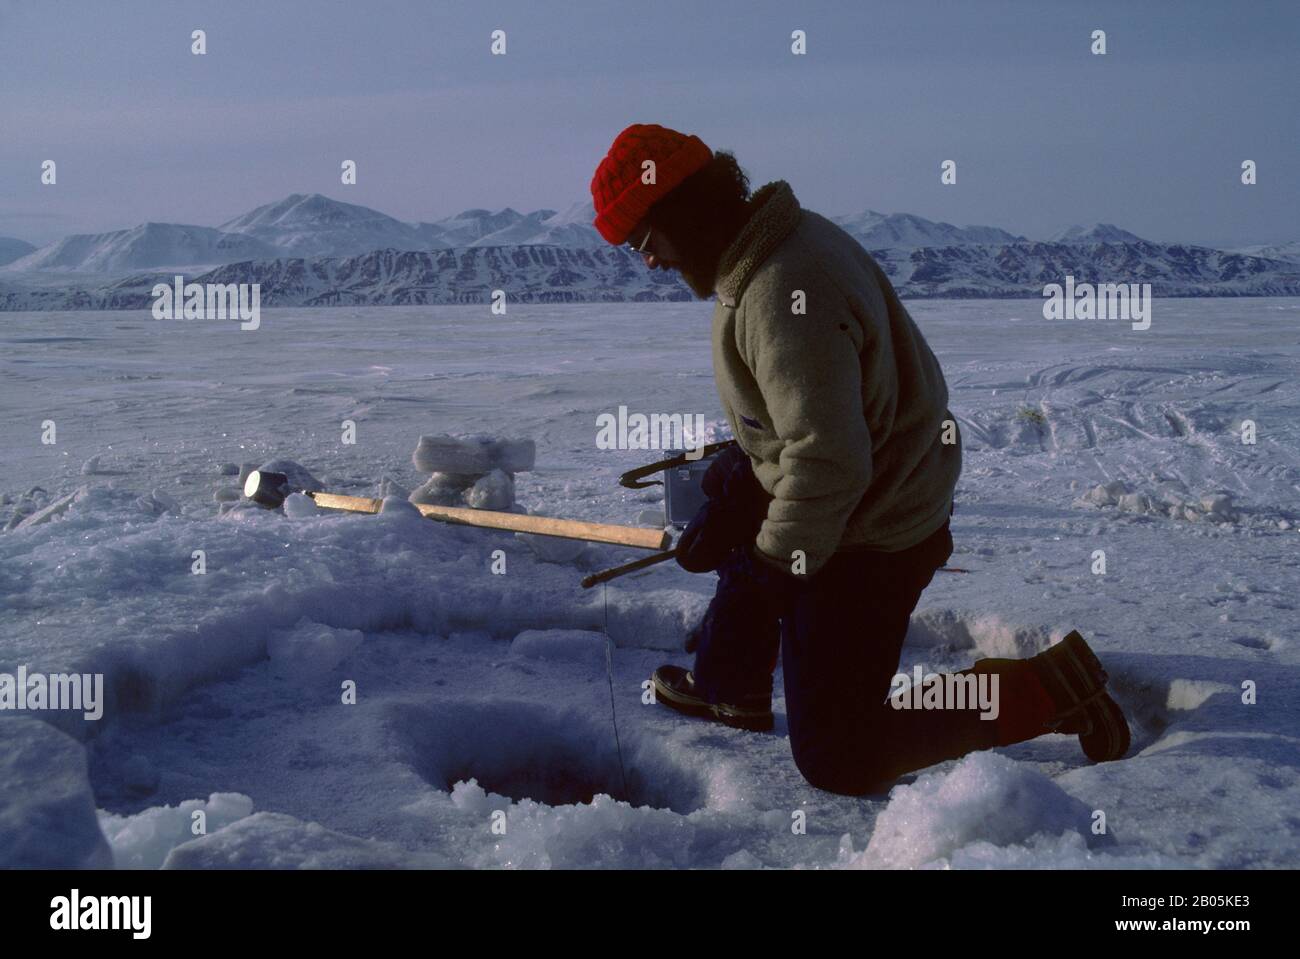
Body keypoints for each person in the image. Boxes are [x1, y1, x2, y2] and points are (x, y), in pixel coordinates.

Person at [590, 123, 1129, 795]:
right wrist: (744, 477)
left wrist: (766, 576)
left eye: (646, 239)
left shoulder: (784, 293)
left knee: (840, 753)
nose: (648, 260)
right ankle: (732, 685)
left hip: (876, 525)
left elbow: (828, 464)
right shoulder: (769, 248)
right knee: (738, 506)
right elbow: (810, 424)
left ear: (685, 211)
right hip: (868, 478)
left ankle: (1050, 688)